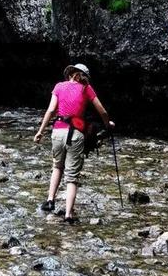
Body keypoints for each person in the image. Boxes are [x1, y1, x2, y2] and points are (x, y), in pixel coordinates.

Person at [33, 62, 114, 223]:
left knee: (57, 166)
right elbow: (102, 111)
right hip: (75, 134)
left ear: (70, 74)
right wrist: (108, 124)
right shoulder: (86, 88)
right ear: (84, 77)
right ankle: (68, 215)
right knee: (71, 177)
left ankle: (50, 201)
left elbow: (51, 110)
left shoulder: (59, 86)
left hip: (57, 131)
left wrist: (40, 131)